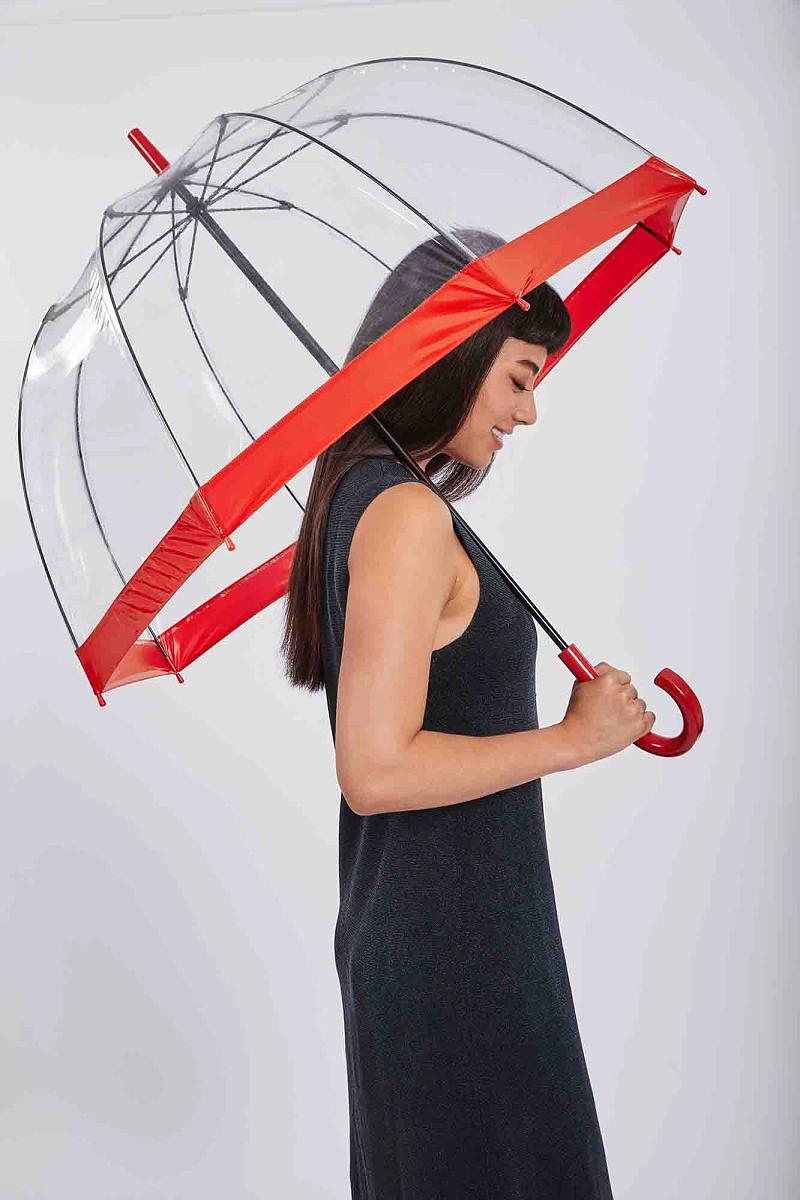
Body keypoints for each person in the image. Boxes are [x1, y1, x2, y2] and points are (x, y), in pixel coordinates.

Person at [280, 229, 655, 1198]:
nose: (528, 411)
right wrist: (570, 741)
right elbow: (374, 770)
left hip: (461, 934)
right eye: (519, 379)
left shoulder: (372, 498)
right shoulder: (405, 516)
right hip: (453, 953)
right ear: (452, 354)